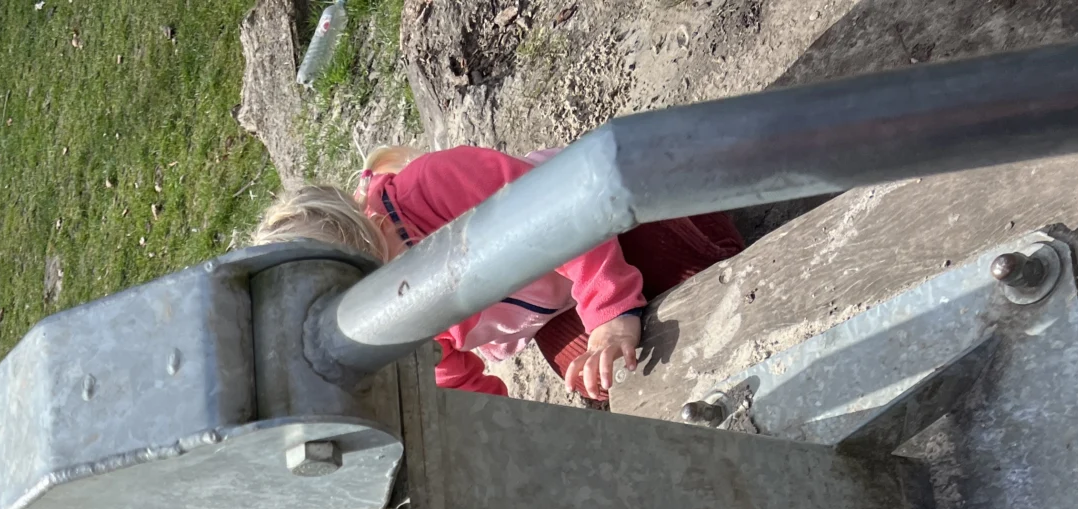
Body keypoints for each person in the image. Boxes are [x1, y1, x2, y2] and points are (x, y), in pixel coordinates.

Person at [251, 144, 743, 403]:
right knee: (605, 383)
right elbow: (458, 390)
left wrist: (611, 313)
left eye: (386, 286)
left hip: (615, 214)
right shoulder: (393, 324)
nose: (394, 311)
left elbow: (561, 211)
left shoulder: (431, 188)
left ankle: (695, 272)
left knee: (701, 284)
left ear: (378, 228)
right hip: (558, 302)